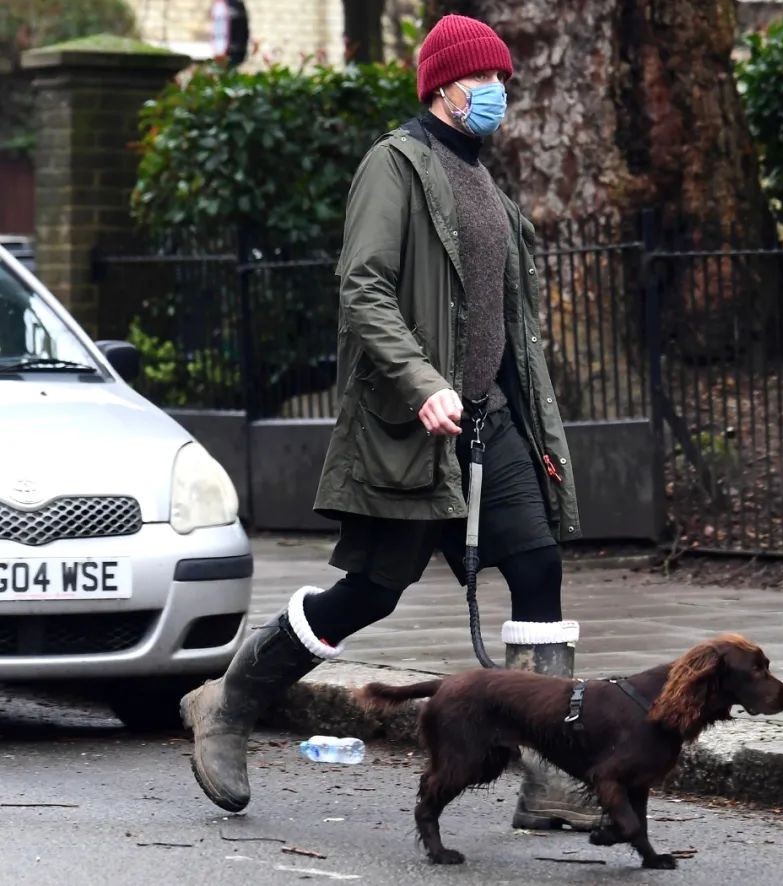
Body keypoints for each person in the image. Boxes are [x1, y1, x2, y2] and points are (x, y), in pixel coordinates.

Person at [180, 13, 601, 833]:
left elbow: (502, 320)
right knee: (371, 592)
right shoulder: (395, 165)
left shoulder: (484, 183)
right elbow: (363, 287)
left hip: (489, 425)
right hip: (414, 431)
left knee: (538, 567)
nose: (499, 92)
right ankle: (229, 700)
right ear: (444, 86)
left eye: (504, 79)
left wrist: (521, 415)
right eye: (485, 79)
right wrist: (421, 383)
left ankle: (552, 779)